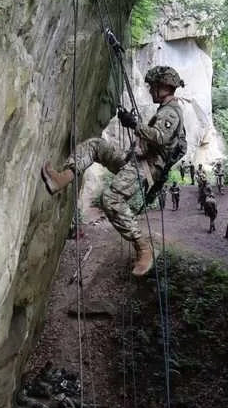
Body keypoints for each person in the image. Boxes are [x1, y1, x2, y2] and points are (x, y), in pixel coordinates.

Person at [41, 66, 186, 276]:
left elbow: (159, 137)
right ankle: (63, 178)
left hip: (145, 169)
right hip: (134, 161)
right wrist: (133, 123)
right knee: (96, 146)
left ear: (164, 86)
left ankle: (143, 248)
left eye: (153, 86)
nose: (151, 90)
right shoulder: (165, 109)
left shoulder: (171, 112)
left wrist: (135, 124)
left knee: (111, 199)